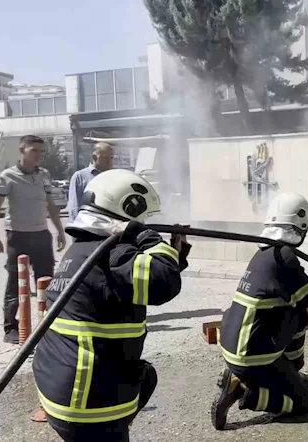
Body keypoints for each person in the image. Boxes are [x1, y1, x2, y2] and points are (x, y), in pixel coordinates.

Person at [32, 168, 191, 442]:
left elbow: (137, 283)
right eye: (142, 218)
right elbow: (164, 283)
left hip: (58, 390)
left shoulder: (83, 248)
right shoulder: (113, 251)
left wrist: (174, 258)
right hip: (84, 400)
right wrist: (146, 236)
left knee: (145, 376)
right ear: (129, 210)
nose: (146, 224)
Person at [210, 192, 308, 430]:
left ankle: (290, 375)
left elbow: (300, 289)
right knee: (301, 402)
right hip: (251, 354)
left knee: (297, 314)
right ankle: (243, 391)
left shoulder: (266, 254)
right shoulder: (283, 257)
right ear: (300, 227)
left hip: (237, 344)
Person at [0, 135, 67, 344]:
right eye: (34, 151)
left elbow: (50, 204)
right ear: (22, 151)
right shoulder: (8, 176)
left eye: (41, 152)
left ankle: (48, 324)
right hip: (18, 236)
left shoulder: (44, 175)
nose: (39, 156)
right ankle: (10, 328)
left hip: (42, 234)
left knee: (46, 280)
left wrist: (59, 230)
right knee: (16, 281)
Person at [68, 142, 114, 220]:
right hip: (88, 226)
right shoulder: (80, 177)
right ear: (94, 157)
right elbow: (74, 207)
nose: (109, 162)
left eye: (111, 158)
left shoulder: (114, 176)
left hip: (111, 226)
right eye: (106, 158)